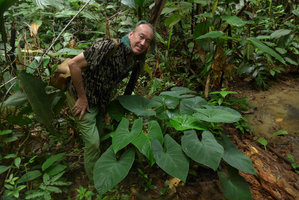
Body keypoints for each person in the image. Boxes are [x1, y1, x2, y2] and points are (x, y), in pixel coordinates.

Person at [66, 21, 155, 184]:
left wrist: (121, 110)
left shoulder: (136, 58)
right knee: (93, 143)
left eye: (148, 41)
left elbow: (131, 84)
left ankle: (98, 169)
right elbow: (73, 64)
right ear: (131, 34)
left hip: (100, 100)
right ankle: (97, 184)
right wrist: (81, 97)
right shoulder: (108, 46)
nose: (143, 43)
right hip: (81, 96)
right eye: (141, 37)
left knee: (99, 137)